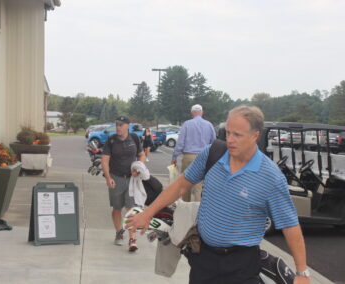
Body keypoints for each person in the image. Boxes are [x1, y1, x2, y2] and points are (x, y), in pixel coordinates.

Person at [126, 106, 311, 284]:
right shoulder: (213, 153)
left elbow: (289, 224)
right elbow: (181, 185)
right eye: (228, 132)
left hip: (242, 265)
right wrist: (148, 213)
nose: (230, 139)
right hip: (203, 258)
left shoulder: (270, 177)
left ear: (255, 136)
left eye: (237, 135)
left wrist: (302, 272)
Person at [101, 115, 146, 252]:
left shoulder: (135, 138)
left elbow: (142, 155)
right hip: (116, 178)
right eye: (117, 125)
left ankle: (133, 239)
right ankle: (119, 233)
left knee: (131, 208)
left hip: (132, 180)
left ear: (128, 126)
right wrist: (108, 178)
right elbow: (104, 160)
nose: (118, 127)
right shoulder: (111, 140)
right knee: (117, 208)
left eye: (121, 125)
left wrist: (139, 169)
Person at [171, 104, 216, 201]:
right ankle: (197, 211)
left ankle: (186, 207)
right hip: (204, 157)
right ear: (202, 112)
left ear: (192, 113)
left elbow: (180, 143)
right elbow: (214, 142)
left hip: (188, 156)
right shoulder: (209, 125)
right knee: (198, 187)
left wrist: (174, 157)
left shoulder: (187, 124)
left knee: (185, 184)